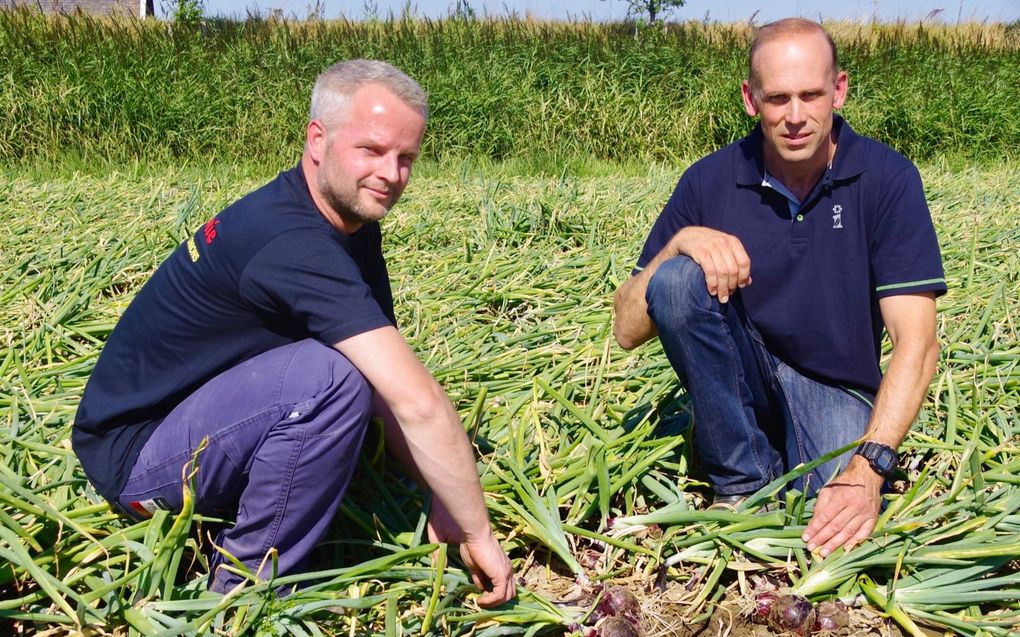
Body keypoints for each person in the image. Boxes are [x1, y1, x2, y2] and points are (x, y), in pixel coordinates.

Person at [72, 59, 515, 604]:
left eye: (407, 158)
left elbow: (389, 387)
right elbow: (416, 402)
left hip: (196, 417)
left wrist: (438, 494)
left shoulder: (348, 221)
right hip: (138, 462)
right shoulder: (289, 240)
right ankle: (244, 593)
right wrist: (477, 531)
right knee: (331, 379)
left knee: (353, 371)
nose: (392, 174)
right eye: (372, 151)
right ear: (317, 139)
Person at [612, 19, 944, 558]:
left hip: (836, 389)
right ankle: (741, 486)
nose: (795, 117)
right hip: (745, 374)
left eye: (811, 95)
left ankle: (798, 462)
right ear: (750, 99)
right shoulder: (709, 180)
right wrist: (681, 244)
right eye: (777, 98)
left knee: (831, 518)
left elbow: (918, 343)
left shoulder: (887, 178)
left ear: (839, 89)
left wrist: (870, 467)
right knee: (674, 280)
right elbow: (626, 328)